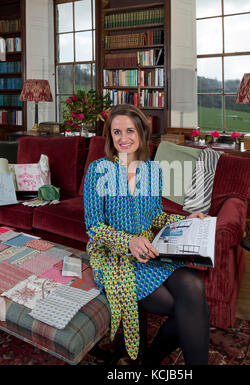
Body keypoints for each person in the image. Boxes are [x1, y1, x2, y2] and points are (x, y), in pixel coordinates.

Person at [83, 104, 210, 365]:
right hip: (114, 256)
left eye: (129, 130)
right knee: (188, 309)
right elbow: (94, 227)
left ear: (141, 133)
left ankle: (149, 361)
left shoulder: (152, 171)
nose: (123, 138)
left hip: (147, 250)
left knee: (194, 287)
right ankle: (150, 361)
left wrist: (187, 219)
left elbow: (156, 217)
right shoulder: (98, 170)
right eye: (116, 132)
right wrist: (127, 241)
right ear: (110, 136)